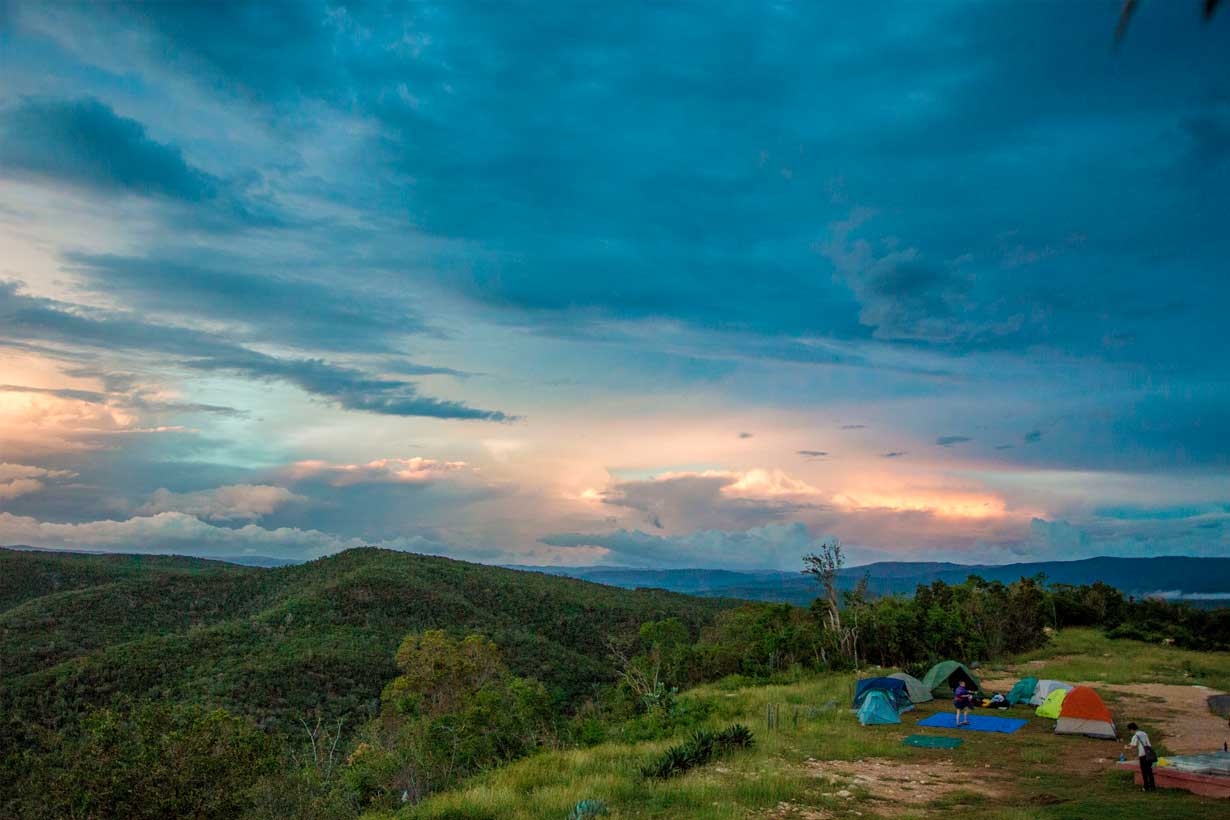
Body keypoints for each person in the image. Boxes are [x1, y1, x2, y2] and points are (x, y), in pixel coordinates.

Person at [1125, 722, 1156, 792]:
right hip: (1149, 754)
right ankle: (1153, 787)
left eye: (1130, 730)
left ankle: (1146, 787)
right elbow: (1146, 742)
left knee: (1144, 772)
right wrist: (1130, 744)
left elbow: (1133, 746)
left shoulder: (1135, 736)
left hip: (1143, 755)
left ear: (1132, 729)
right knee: (1149, 771)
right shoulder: (1144, 733)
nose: (1130, 732)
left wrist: (1127, 748)